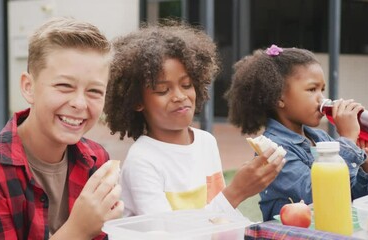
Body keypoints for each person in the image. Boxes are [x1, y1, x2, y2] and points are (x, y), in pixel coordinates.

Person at [0, 17, 123, 239]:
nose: (80, 103)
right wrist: (78, 230)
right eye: (64, 86)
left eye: (95, 91)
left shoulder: (96, 159)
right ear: (28, 87)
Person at [103, 23, 285, 219]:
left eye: (186, 85)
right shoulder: (142, 161)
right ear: (137, 101)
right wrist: (236, 192)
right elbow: (168, 232)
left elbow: (219, 217)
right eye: (163, 90)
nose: (180, 96)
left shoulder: (206, 142)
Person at [225, 44, 368, 221]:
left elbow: (353, 199)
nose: (322, 99)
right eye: (311, 89)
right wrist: (347, 141)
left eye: (322, 90)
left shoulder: (321, 139)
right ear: (279, 98)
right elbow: (315, 197)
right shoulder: (273, 149)